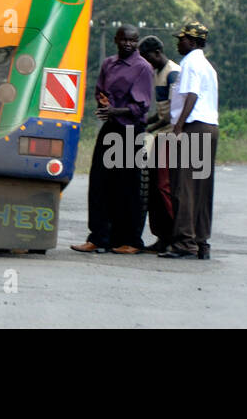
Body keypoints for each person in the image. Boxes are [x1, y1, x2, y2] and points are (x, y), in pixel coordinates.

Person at [72, 24, 153, 255]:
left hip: (130, 132)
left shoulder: (143, 68)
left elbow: (140, 107)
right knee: (99, 184)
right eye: (124, 39)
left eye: (133, 40)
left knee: (128, 187)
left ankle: (130, 240)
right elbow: (100, 92)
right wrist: (104, 103)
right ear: (116, 40)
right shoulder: (108, 63)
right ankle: (99, 237)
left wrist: (114, 111)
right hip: (110, 128)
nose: (128, 44)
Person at [160, 20, 219, 260]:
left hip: (194, 128)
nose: (178, 42)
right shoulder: (207, 65)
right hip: (209, 128)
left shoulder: (191, 63)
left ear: (192, 41)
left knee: (183, 187)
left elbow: (192, 95)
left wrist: (179, 126)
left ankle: (184, 243)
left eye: (182, 38)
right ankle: (201, 241)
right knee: (201, 189)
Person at [138, 35, 180, 254]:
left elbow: (172, 114)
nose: (147, 63)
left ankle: (175, 235)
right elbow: (160, 112)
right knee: (154, 188)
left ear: (157, 53)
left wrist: (148, 129)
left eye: (147, 58)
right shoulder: (156, 73)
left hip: (170, 135)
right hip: (161, 134)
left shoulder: (173, 73)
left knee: (164, 187)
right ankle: (161, 236)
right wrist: (144, 122)